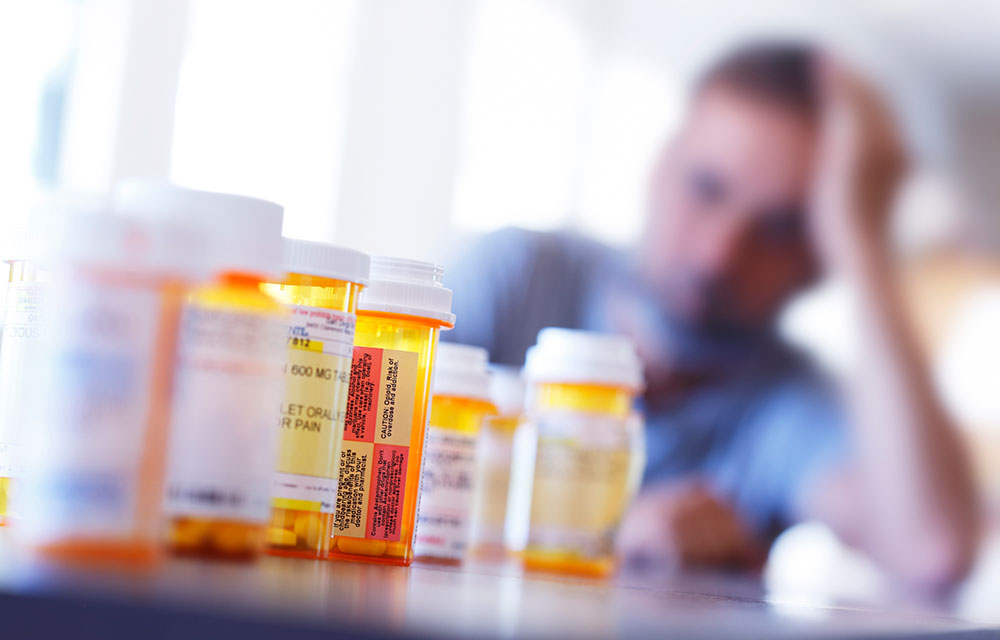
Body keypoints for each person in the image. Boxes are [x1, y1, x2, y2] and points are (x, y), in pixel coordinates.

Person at [444, 42, 979, 589]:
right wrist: (604, 535)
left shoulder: (787, 403)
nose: (718, 256)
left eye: (778, 228)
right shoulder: (519, 277)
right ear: (659, 168)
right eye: (707, 188)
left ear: (819, 260)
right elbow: (363, 468)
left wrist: (863, 244)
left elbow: (931, 550)